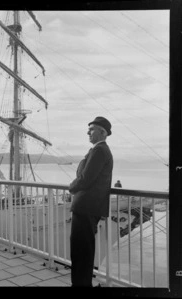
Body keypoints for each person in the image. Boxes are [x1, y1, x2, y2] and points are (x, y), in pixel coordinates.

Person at [69, 116, 113, 287]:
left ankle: (80, 285)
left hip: (86, 206)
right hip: (88, 207)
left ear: (102, 132)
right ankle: (82, 283)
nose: (88, 132)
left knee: (81, 250)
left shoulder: (100, 150)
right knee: (82, 249)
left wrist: (71, 187)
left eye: (92, 129)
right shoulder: (97, 150)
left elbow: (85, 178)